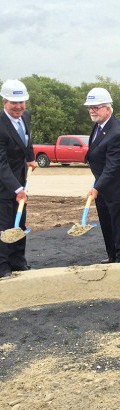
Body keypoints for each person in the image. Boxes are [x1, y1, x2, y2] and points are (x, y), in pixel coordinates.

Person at [84, 87, 120, 263]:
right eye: (90, 107)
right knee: (107, 226)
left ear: (108, 108)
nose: (92, 110)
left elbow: (112, 166)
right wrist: (98, 186)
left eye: (96, 107)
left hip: (118, 190)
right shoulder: (99, 126)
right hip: (104, 188)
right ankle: (112, 257)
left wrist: (96, 187)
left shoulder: (117, 132)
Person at [0, 80, 36, 277]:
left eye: (22, 102)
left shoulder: (25, 116)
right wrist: (16, 189)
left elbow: (27, 139)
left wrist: (30, 158)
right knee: (5, 225)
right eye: (14, 102)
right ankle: (3, 266)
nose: (19, 106)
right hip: (4, 184)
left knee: (20, 222)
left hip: (21, 179)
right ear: (4, 101)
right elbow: (1, 163)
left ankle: (18, 261)